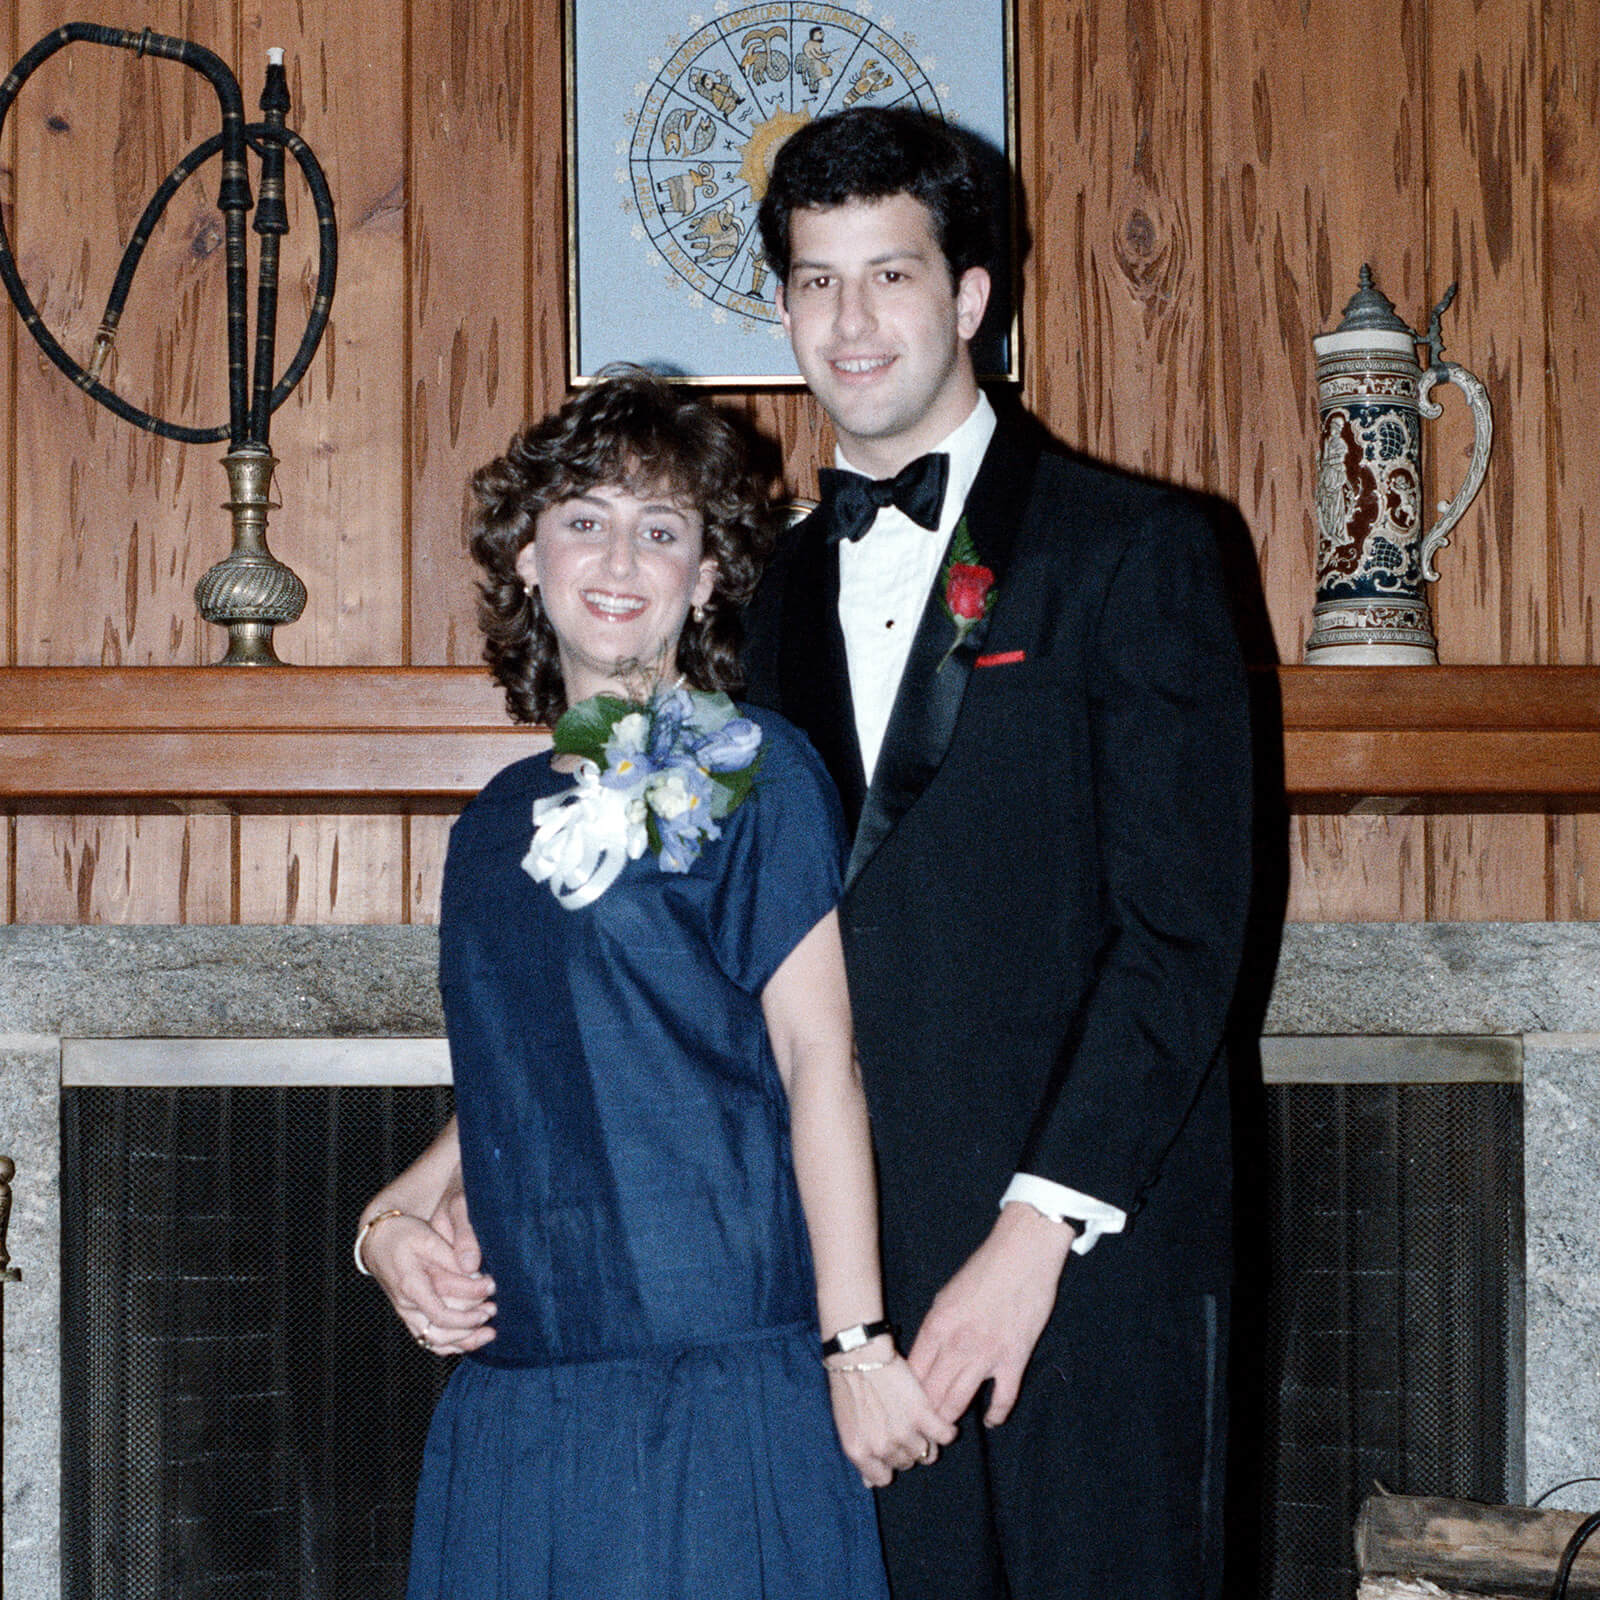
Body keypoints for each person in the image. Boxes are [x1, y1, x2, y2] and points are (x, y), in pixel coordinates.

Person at [738, 108, 1254, 1600]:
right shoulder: (757, 593)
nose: (850, 321)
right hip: (845, 1291)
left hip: (1090, 1268)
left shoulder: (1137, 550)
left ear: (970, 298)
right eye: (816, 281)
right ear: (782, 306)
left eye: (890, 276)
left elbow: (1183, 938)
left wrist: (1034, 1237)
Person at [354, 368, 952, 1600]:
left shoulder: (759, 771)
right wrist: (384, 1227)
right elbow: (536, 1078)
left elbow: (815, 1060)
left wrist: (854, 1345)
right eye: (584, 517)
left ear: (708, 576)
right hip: (526, 1385)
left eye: (662, 527)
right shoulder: (491, 826)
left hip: (713, 1382)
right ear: (527, 557)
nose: (619, 555)